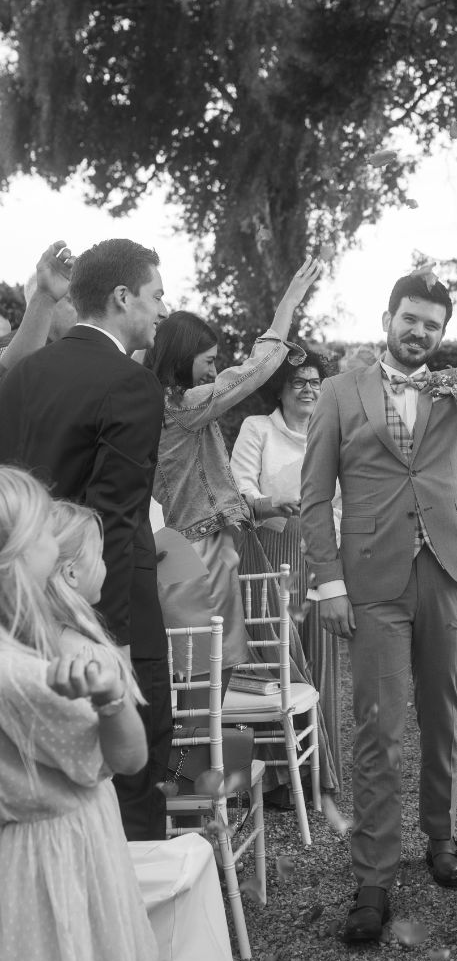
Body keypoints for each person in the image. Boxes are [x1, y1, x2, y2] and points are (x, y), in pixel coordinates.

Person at [300, 266, 457, 942]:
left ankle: (442, 835)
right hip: (371, 581)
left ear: (443, 332)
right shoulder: (338, 394)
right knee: (377, 723)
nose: (420, 332)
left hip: (446, 568)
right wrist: (330, 583)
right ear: (390, 317)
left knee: (444, 713)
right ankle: (372, 874)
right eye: (411, 319)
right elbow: (313, 499)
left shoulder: (455, 390)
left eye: (433, 324)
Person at [0, 470, 156, 961]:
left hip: (27, 869)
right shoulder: (34, 674)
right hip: (48, 874)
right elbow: (124, 757)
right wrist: (111, 695)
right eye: (37, 535)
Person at [0, 238, 171, 838]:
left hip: (18, 613)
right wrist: (114, 643)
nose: (161, 310)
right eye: (155, 296)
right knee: (132, 778)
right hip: (100, 610)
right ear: (122, 298)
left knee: (38, 776)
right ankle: (136, 921)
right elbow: (117, 519)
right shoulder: (130, 383)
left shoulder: (21, 376)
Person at [149, 258, 321, 675]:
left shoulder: (171, 408)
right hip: (198, 554)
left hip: (198, 548)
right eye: (207, 360)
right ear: (180, 357)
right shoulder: (181, 406)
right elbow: (251, 372)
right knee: (204, 675)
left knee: (212, 675)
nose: (212, 369)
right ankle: (203, 744)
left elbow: (204, 488)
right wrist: (289, 304)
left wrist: (263, 507)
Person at [230, 349, 343, 787]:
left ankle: (319, 773)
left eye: (316, 382)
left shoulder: (329, 430)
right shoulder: (257, 428)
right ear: (279, 387)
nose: (309, 389)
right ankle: (277, 780)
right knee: (276, 661)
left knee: (317, 657)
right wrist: (270, 502)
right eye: (299, 381)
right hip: (267, 551)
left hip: (318, 553)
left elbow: (343, 497)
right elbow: (239, 487)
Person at [0, 241, 77, 381]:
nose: (80, 309)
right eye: (71, 300)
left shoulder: (75, 349)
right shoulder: (8, 346)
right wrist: (45, 297)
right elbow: (14, 384)